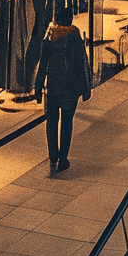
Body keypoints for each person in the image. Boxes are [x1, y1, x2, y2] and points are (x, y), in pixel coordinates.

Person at [32, 17, 91, 175]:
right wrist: (86, 87)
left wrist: (38, 87)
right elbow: (82, 61)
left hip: (53, 86)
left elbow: (43, 63)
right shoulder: (74, 35)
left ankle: (53, 158)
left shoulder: (50, 34)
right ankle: (63, 158)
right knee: (67, 122)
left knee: (51, 123)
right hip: (71, 86)